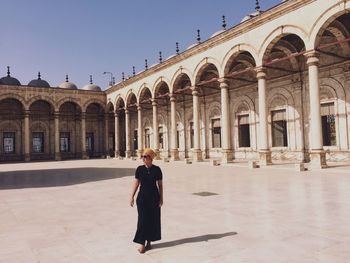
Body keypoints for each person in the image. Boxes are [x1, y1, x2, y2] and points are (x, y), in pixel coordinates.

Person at [130, 148, 163, 253]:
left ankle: (149, 242)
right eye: (142, 156)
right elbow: (136, 183)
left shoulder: (157, 169)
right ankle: (141, 243)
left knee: (153, 220)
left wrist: (161, 198)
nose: (143, 158)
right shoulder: (139, 169)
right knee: (142, 220)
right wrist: (132, 196)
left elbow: (160, 185)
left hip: (154, 197)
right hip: (142, 198)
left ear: (151, 158)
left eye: (145, 156)